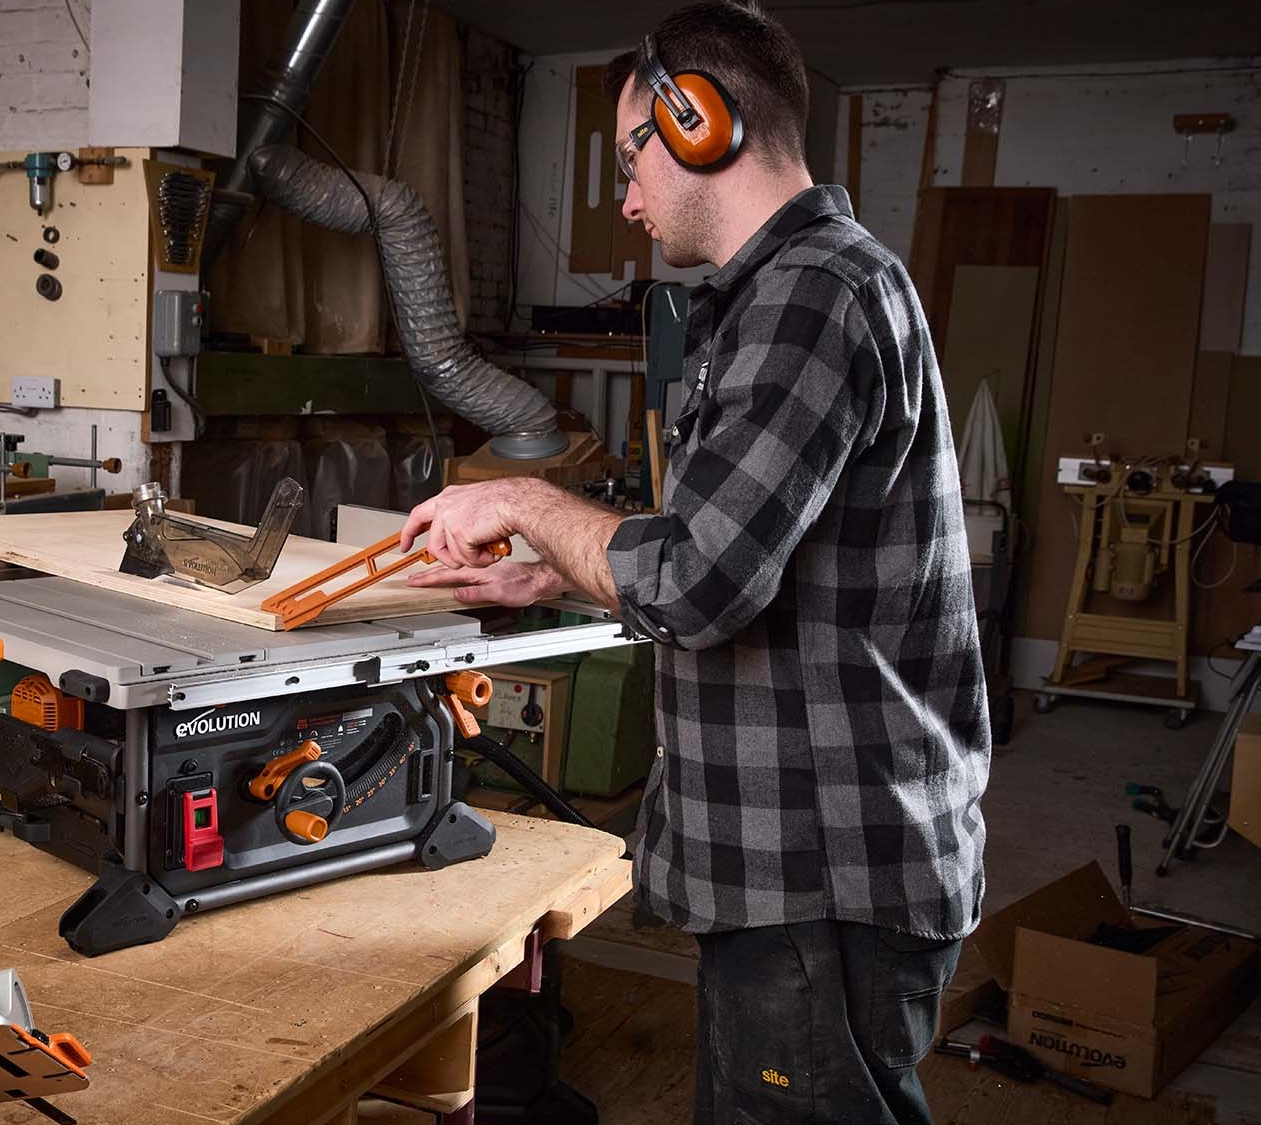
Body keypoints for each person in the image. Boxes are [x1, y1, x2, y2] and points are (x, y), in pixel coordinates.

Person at [397, 3, 990, 1122]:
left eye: (630, 155)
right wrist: (549, 570)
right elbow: (743, 561)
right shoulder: (788, 291)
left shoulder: (813, 293)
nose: (623, 198)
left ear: (699, 119)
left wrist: (522, 496)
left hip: (820, 874)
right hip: (799, 870)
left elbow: (696, 582)